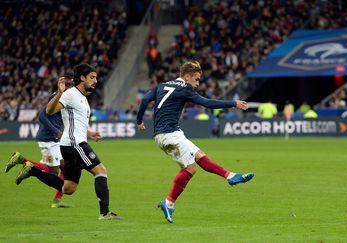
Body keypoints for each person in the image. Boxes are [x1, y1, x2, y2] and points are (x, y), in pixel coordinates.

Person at [136, 60, 254, 223]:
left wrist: (139, 121)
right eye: (196, 79)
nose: (197, 84)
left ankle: (230, 176)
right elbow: (208, 103)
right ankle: (168, 202)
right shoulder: (185, 88)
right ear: (186, 76)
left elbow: (144, 101)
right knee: (190, 169)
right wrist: (233, 103)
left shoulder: (161, 86)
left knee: (199, 156)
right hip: (170, 134)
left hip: (165, 134)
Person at [13, 63, 122, 220]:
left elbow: (75, 122)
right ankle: (105, 213)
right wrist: (59, 93)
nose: (95, 81)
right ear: (82, 78)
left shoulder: (83, 98)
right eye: (92, 77)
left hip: (71, 144)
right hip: (74, 144)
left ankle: (32, 170)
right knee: (101, 171)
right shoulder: (70, 94)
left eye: (96, 77)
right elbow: (49, 111)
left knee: (68, 188)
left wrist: (89, 132)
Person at [5, 74, 74, 208]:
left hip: (52, 139)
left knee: (60, 168)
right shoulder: (57, 97)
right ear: (65, 85)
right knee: (55, 170)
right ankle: (24, 162)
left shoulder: (65, 97)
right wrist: (56, 131)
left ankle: (56, 200)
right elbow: (42, 116)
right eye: (70, 85)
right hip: (49, 139)